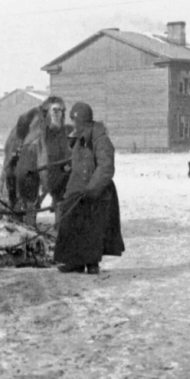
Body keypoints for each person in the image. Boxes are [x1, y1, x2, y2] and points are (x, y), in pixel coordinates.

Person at [54, 101, 125, 274]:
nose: (73, 124)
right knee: (71, 223)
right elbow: (81, 160)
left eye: (74, 120)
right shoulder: (80, 138)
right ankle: (75, 262)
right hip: (77, 191)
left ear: (82, 120)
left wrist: (91, 190)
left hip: (95, 193)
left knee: (93, 228)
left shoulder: (100, 139)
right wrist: (68, 167)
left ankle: (92, 263)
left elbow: (106, 166)